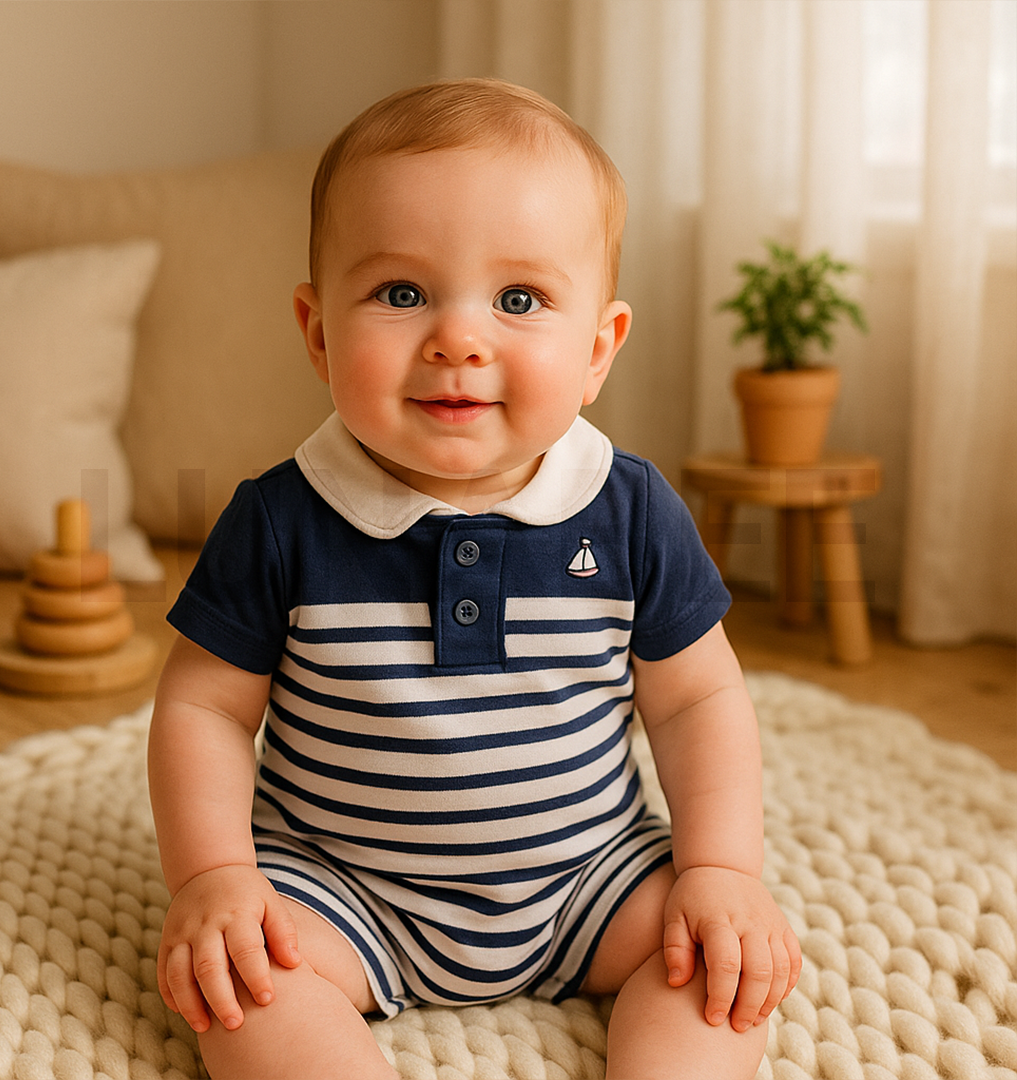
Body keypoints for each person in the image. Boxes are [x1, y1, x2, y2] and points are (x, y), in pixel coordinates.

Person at [147, 78, 801, 1080]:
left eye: (519, 299)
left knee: (714, 966)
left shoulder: (629, 511)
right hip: (341, 888)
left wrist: (719, 870)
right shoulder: (281, 519)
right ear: (319, 333)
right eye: (401, 293)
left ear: (596, 350)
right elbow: (203, 708)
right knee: (246, 993)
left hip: (593, 881)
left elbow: (697, 699)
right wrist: (215, 876)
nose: (460, 337)